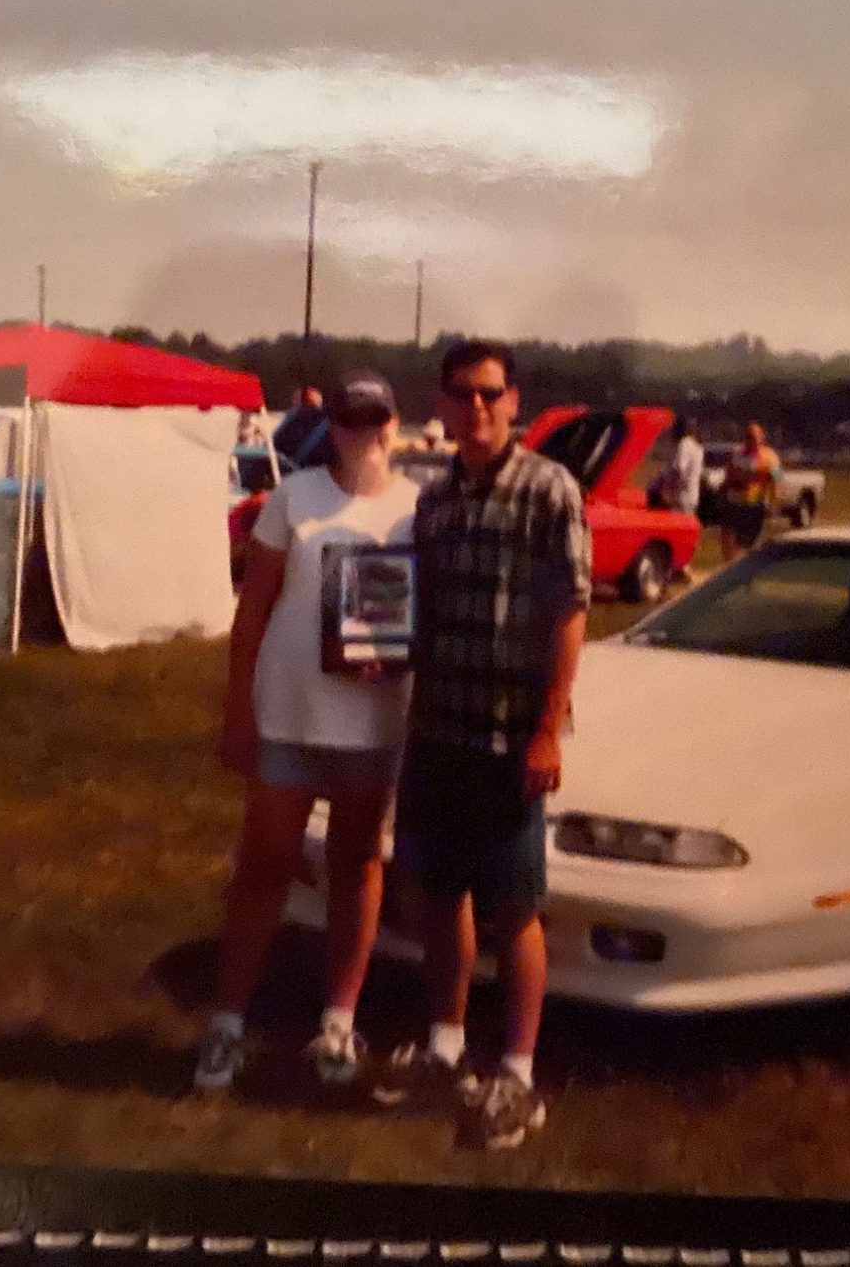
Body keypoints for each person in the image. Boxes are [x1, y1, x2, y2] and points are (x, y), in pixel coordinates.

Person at [370, 339, 591, 1150]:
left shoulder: (549, 491)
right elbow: (410, 611)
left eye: (491, 394)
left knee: (515, 907)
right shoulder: (436, 501)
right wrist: (370, 649)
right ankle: (446, 1048)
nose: (477, 408)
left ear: (515, 400)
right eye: (462, 395)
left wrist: (546, 728)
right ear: (444, 404)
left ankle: (520, 1076)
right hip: (438, 731)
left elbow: (570, 612)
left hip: (511, 740)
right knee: (437, 895)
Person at [194, 370, 420, 1093]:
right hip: (289, 715)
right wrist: (238, 711)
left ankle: (338, 1024)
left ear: (395, 424)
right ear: (335, 428)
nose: (365, 436)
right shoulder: (293, 498)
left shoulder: (420, 506)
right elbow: (252, 610)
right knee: (264, 866)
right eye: (351, 423)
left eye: (376, 422)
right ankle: (227, 1021)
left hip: (376, 724)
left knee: (357, 868)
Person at [717, 421, 779, 561]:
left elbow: (778, 480)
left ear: (762, 438)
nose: (750, 440)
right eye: (748, 436)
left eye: (754, 437)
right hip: (734, 502)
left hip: (753, 503)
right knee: (727, 536)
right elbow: (728, 475)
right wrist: (723, 493)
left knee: (747, 542)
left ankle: (744, 565)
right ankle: (728, 566)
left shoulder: (770, 456)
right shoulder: (737, 453)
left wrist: (773, 502)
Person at [653, 416, 705, 517]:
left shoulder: (684, 444)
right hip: (691, 495)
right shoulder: (698, 446)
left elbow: (678, 470)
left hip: (681, 497)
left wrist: (668, 491)